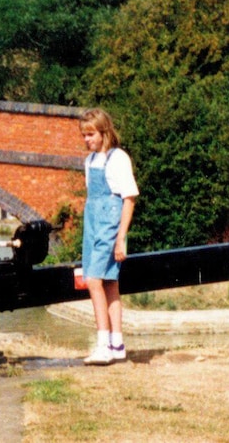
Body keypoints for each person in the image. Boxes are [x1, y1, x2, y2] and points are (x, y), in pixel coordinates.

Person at [78, 109, 138, 366]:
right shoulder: (89, 161)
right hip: (92, 224)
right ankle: (117, 343)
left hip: (109, 225)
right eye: (84, 135)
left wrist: (120, 237)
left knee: (92, 280)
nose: (87, 140)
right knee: (109, 283)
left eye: (91, 134)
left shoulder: (118, 158)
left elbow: (129, 198)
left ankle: (102, 345)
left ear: (104, 133)